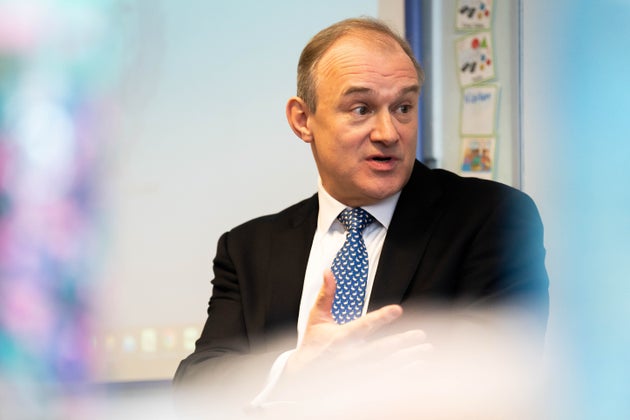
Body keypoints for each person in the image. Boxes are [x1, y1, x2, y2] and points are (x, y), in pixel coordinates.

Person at [173, 17, 549, 417]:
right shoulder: (249, 248)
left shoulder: (489, 219)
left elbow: (501, 373)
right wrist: (294, 371)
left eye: (403, 107)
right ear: (303, 120)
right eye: (361, 109)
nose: (389, 132)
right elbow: (198, 382)